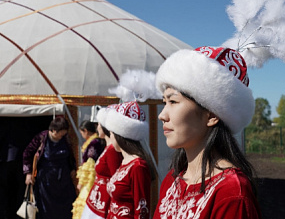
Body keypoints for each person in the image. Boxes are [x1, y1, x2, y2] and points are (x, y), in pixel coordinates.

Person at [152, 46, 261, 219]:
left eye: (173, 101)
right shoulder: (173, 181)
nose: (162, 115)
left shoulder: (231, 192)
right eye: (164, 102)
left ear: (212, 115)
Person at [104, 101, 157, 219]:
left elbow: (142, 210)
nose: (110, 137)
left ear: (119, 135)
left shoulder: (138, 166)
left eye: (111, 133)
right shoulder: (124, 162)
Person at [23, 117, 77, 219]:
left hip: (63, 179)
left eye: (64, 133)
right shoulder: (42, 138)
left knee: (66, 206)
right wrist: (28, 173)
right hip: (46, 179)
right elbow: (27, 153)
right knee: (46, 208)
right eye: (60, 133)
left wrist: (72, 168)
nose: (62, 135)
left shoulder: (65, 138)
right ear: (52, 131)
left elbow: (70, 155)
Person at [81, 105, 123, 219]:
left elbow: (115, 178)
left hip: (104, 201)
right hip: (97, 199)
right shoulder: (107, 148)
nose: (97, 128)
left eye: (99, 124)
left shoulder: (112, 150)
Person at [72, 120, 105, 219]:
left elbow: (90, 165)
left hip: (90, 180)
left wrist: (81, 182)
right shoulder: (96, 142)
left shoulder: (94, 143)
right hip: (96, 178)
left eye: (82, 133)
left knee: (85, 201)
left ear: (85, 131)